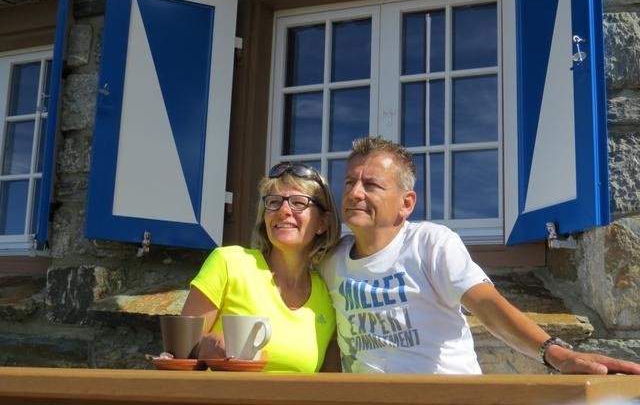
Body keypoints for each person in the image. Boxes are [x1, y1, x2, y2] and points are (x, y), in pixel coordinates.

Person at [320, 135, 640, 375]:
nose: (354, 193)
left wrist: (555, 353)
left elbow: (488, 305)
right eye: (349, 182)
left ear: (406, 203)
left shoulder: (430, 243)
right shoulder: (330, 261)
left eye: (371, 184)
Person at [182, 162, 341, 372]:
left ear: (323, 223)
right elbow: (178, 349)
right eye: (274, 202)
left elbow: (328, 386)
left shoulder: (328, 296)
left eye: (298, 203)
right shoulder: (229, 263)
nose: (283, 210)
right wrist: (207, 346)